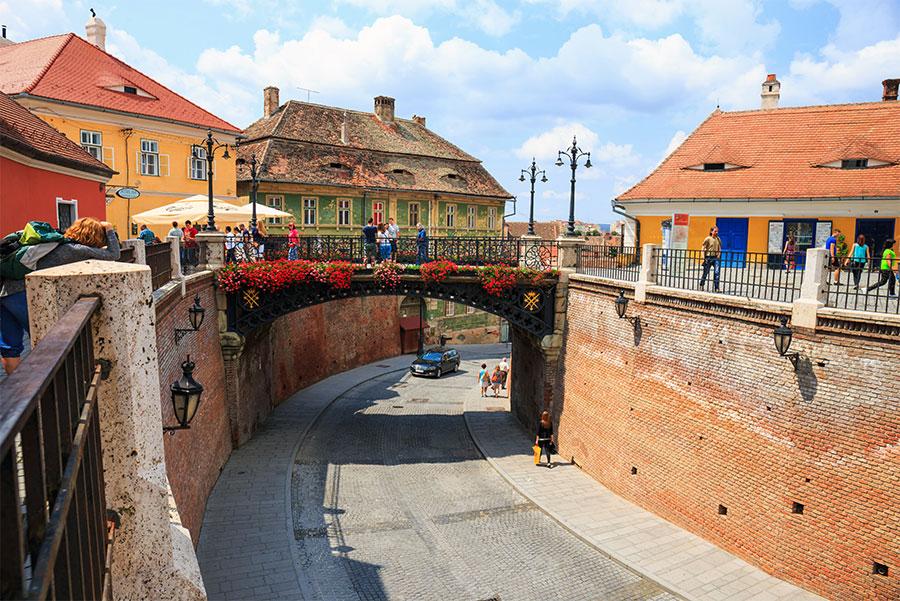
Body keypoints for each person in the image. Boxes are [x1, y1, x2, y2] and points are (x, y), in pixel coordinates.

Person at [1, 218, 120, 375]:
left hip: (4, 293)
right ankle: (43, 390)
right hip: (23, 295)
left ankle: (17, 392)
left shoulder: (56, 243)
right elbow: (113, 254)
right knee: (44, 342)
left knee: (11, 350)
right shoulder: (75, 250)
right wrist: (109, 229)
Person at [699, 226, 721, 291]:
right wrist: (703, 258)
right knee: (705, 272)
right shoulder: (708, 239)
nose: (716, 232)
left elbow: (719, 248)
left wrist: (718, 255)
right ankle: (702, 285)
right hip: (708, 257)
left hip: (715, 258)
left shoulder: (718, 239)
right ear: (711, 231)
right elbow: (703, 248)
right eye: (715, 231)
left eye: (717, 231)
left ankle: (716, 288)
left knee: (717, 272)